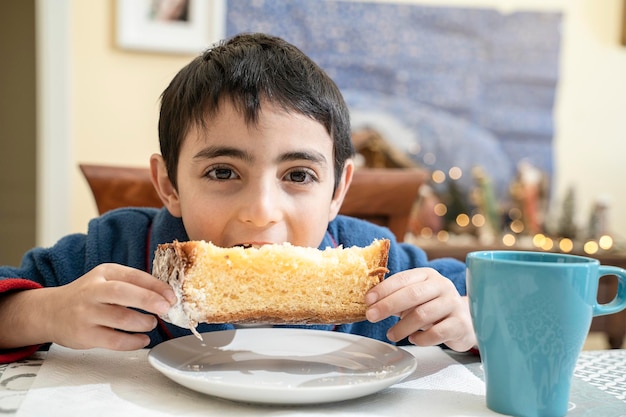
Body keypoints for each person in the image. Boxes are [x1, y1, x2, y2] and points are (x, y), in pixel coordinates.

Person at [0, 33, 475, 364]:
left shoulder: (387, 274)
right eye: (223, 172)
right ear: (169, 185)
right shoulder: (114, 250)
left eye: (299, 174)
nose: (261, 212)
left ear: (338, 190)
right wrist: (45, 312)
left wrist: (472, 320)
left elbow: (504, 310)